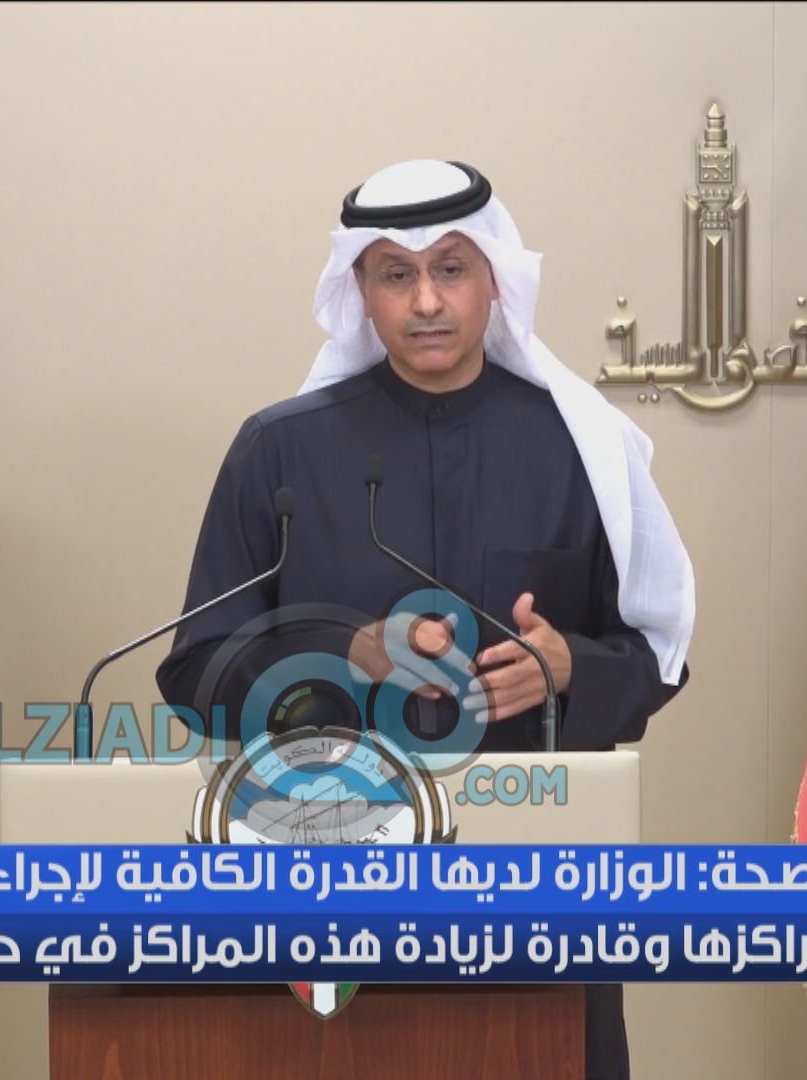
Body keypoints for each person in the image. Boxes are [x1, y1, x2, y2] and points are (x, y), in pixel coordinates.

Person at [156, 160, 695, 1078]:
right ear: (361, 293)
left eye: (450, 268)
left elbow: (655, 654)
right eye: (396, 275)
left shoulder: (581, 446)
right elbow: (196, 667)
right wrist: (347, 652)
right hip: (329, 887)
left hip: (536, 887)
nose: (427, 301)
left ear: (495, 279)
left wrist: (571, 669)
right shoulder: (280, 451)